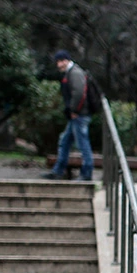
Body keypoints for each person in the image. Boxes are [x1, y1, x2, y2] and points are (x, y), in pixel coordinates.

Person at [41, 50, 93, 181]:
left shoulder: (74, 73)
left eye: (59, 61)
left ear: (65, 60)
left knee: (82, 144)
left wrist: (74, 110)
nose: (58, 65)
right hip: (76, 115)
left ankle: (86, 173)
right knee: (65, 141)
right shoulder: (70, 73)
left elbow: (79, 93)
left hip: (79, 115)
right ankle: (58, 170)